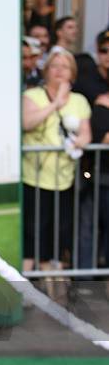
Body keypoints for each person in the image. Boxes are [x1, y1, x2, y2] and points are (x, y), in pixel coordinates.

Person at [22, 48, 91, 272]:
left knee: (60, 234)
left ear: (73, 72)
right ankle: (24, 293)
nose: (60, 71)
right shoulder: (33, 95)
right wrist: (56, 104)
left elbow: (86, 134)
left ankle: (55, 294)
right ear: (46, 69)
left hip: (65, 180)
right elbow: (27, 122)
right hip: (35, 179)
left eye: (65, 66)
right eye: (55, 65)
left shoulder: (79, 100)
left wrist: (78, 142)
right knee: (32, 235)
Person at [73, 30, 109, 268]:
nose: (108, 56)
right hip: (92, 167)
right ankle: (85, 280)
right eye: (104, 50)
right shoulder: (87, 81)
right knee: (87, 226)